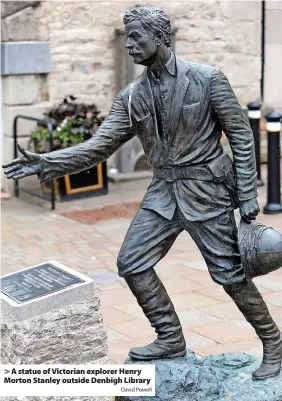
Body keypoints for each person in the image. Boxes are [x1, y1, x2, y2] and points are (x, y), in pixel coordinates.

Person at [3, 6, 281, 380]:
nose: (130, 44)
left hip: (208, 192)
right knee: (132, 262)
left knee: (230, 276)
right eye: (127, 37)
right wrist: (49, 163)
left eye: (136, 37)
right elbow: (99, 147)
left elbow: (242, 135)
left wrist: (248, 193)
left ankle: (273, 343)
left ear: (160, 37)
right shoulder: (131, 97)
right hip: (163, 193)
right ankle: (170, 336)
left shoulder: (207, 79)